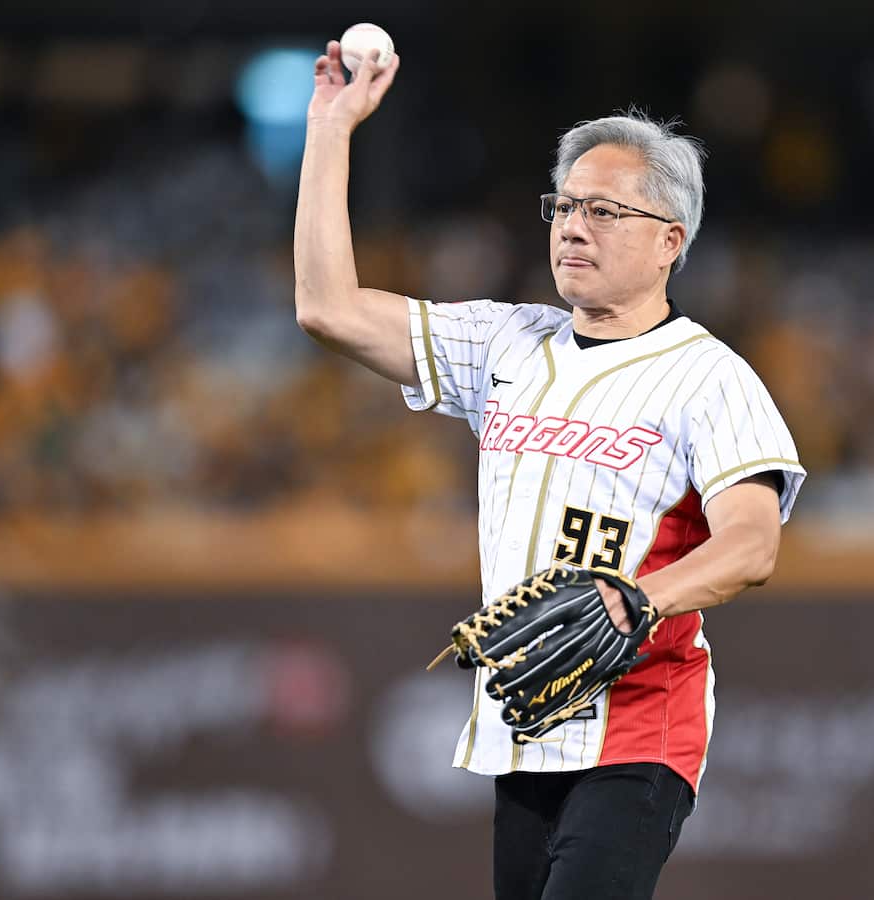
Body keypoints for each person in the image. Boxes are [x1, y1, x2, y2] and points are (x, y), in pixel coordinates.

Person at [294, 41, 805, 900]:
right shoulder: (510, 342)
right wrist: (329, 129)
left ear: (669, 242)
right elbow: (327, 309)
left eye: (605, 210)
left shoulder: (709, 376)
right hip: (525, 723)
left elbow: (752, 545)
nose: (572, 225)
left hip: (642, 724)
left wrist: (640, 598)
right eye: (564, 205)